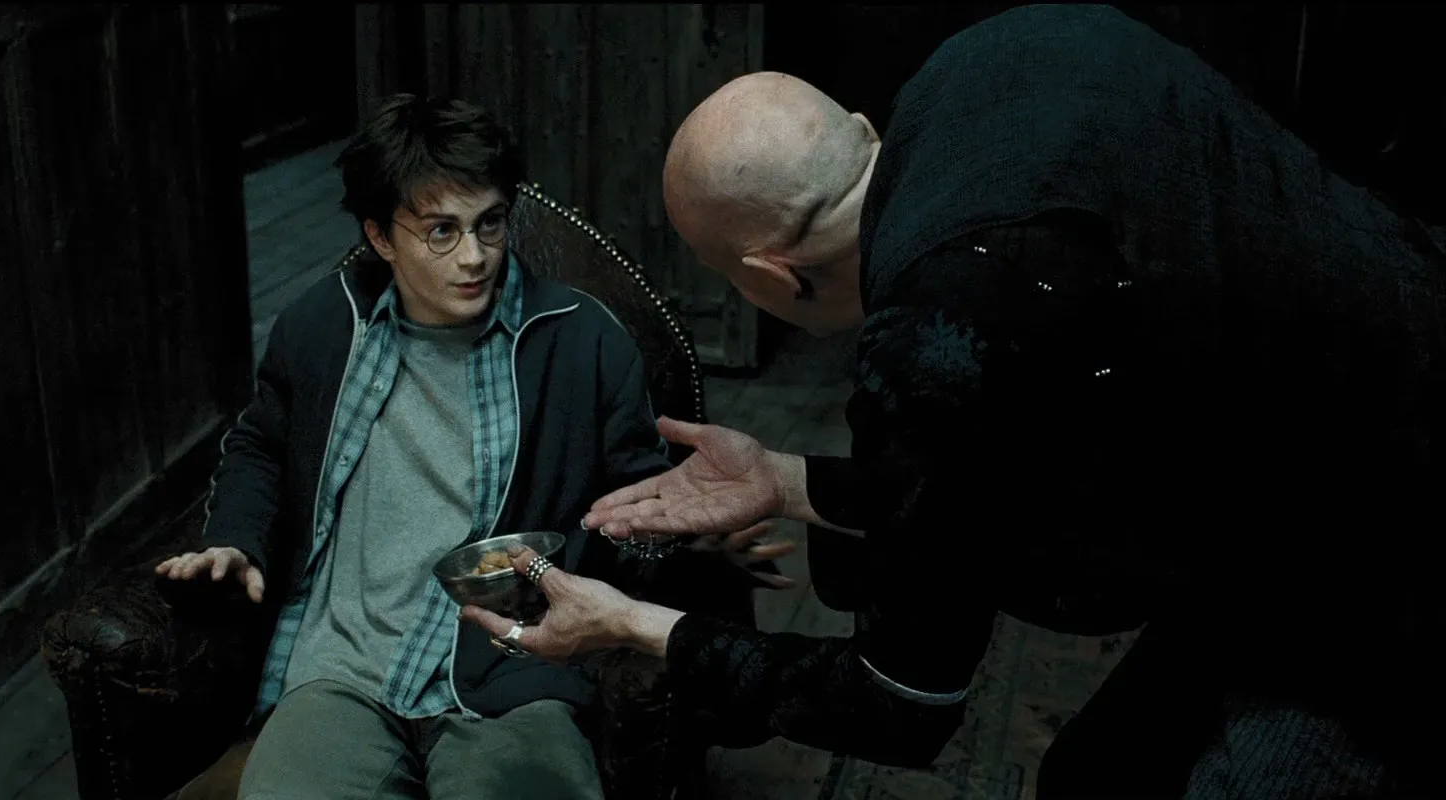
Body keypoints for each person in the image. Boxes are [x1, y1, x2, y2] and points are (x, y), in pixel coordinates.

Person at [462, 5, 1445, 799]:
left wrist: (628, 621)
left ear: (768, 275)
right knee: (1096, 777)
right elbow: (993, 473)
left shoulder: (939, 326)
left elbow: (901, 701)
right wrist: (788, 481)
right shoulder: (988, 59)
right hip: (1340, 402)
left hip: (1375, 565)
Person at [156, 94, 790, 800]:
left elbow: (636, 500)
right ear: (381, 236)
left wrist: (693, 545)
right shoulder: (325, 326)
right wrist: (236, 536)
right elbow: (261, 444)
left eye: (489, 223)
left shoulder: (583, 340)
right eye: (441, 232)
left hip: (514, 667)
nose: (474, 256)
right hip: (345, 669)